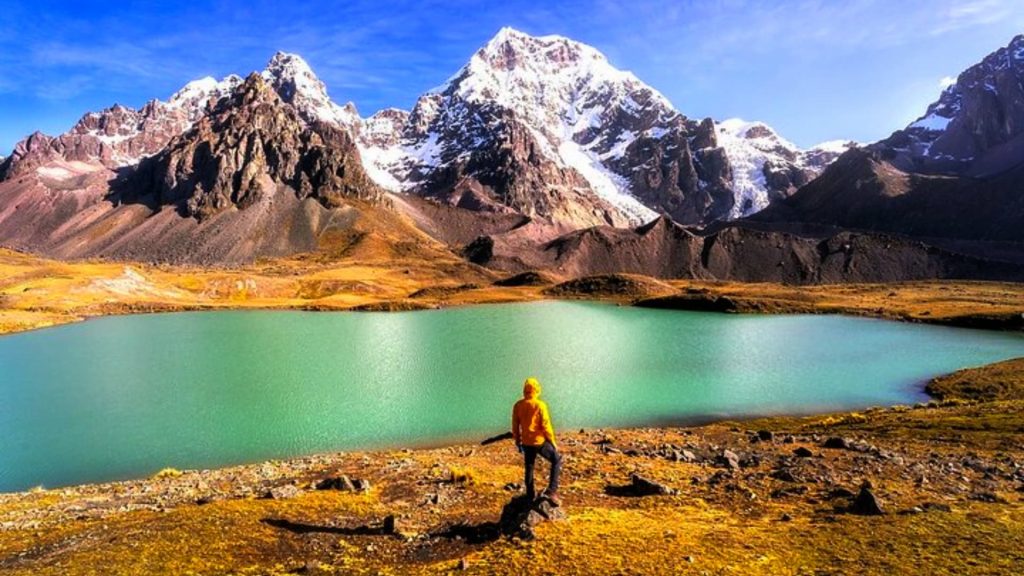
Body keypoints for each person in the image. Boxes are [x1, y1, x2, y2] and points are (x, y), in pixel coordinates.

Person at [512, 377, 562, 506]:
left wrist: (518, 441)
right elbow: (546, 425)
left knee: (529, 467)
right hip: (539, 442)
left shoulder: (518, 405)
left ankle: (530, 495)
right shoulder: (540, 405)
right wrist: (552, 441)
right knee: (556, 459)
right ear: (537, 390)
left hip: (526, 442)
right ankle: (552, 490)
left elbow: (515, 425)